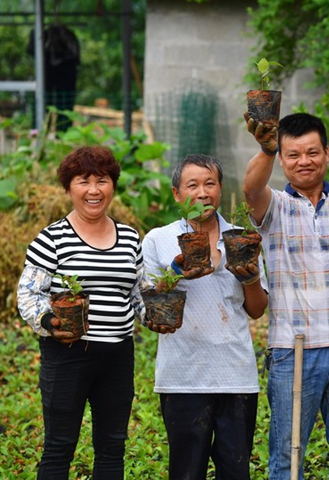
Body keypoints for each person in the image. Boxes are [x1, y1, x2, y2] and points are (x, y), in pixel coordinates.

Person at [242, 93, 329, 479]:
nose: (304, 161)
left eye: (312, 152)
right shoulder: (274, 207)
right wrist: (267, 149)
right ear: (283, 161)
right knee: (287, 459)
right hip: (294, 350)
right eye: (293, 155)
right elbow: (251, 190)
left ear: (326, 153)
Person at [17, 145, 145, 479]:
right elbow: (28, 294)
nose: (93, 190)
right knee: (59, 447)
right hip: (67, 355)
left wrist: (158, 313)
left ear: (112, 185)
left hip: (118, 354)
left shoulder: (130, 238)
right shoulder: (52, 239)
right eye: (82, 181)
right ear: (69, 187)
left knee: (113, 447)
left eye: (101, 180)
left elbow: (138, 294)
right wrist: (49, 321)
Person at [142, 153, 268, 479]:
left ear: (221, 189)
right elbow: (148, 304)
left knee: (235, 470)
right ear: (176, 194)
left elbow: (257, 309)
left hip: (235, 374)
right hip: (182, 376)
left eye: (210, 183)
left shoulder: (242, 237)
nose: (202, 192)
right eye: (193, 184)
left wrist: (250, 278)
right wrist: (174, 274)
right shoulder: (159, 239)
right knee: (186, 471)